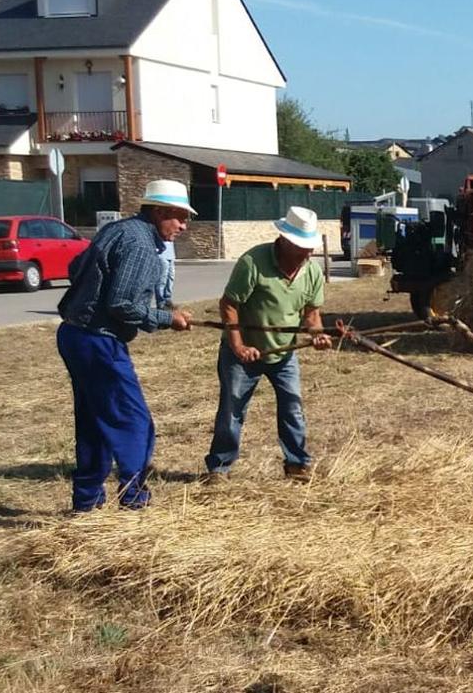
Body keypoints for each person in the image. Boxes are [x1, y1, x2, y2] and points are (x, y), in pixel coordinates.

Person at [56, 179, 195, 512]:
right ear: (159, 211)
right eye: (179, 217)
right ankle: (133, 497)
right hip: (100, 342)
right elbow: (122, 304)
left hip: (74, 334)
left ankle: (87, 501)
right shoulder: (142, 247)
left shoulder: (117, 230)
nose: (183, 226)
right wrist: (167, 319)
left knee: (94, 419)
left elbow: (75, 268)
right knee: (133, 421)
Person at [204, 206, 332, 482]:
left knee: (292, 407)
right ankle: (219, 467)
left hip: (284, 353)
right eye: (301, 247)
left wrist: (317, 335)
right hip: (243, 354)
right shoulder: (253, 262)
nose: (307, 254)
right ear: (284, 240)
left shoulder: (312, 272)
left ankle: (297, 464)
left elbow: (312, 315)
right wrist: (238, 346)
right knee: (232, 409)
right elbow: (229, 304)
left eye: (309, 248)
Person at [156, 238, 176, 308]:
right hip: (161, 255)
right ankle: (161, 302)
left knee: (170, 278)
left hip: (171, 255)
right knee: (162, 280)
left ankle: (167, 299)